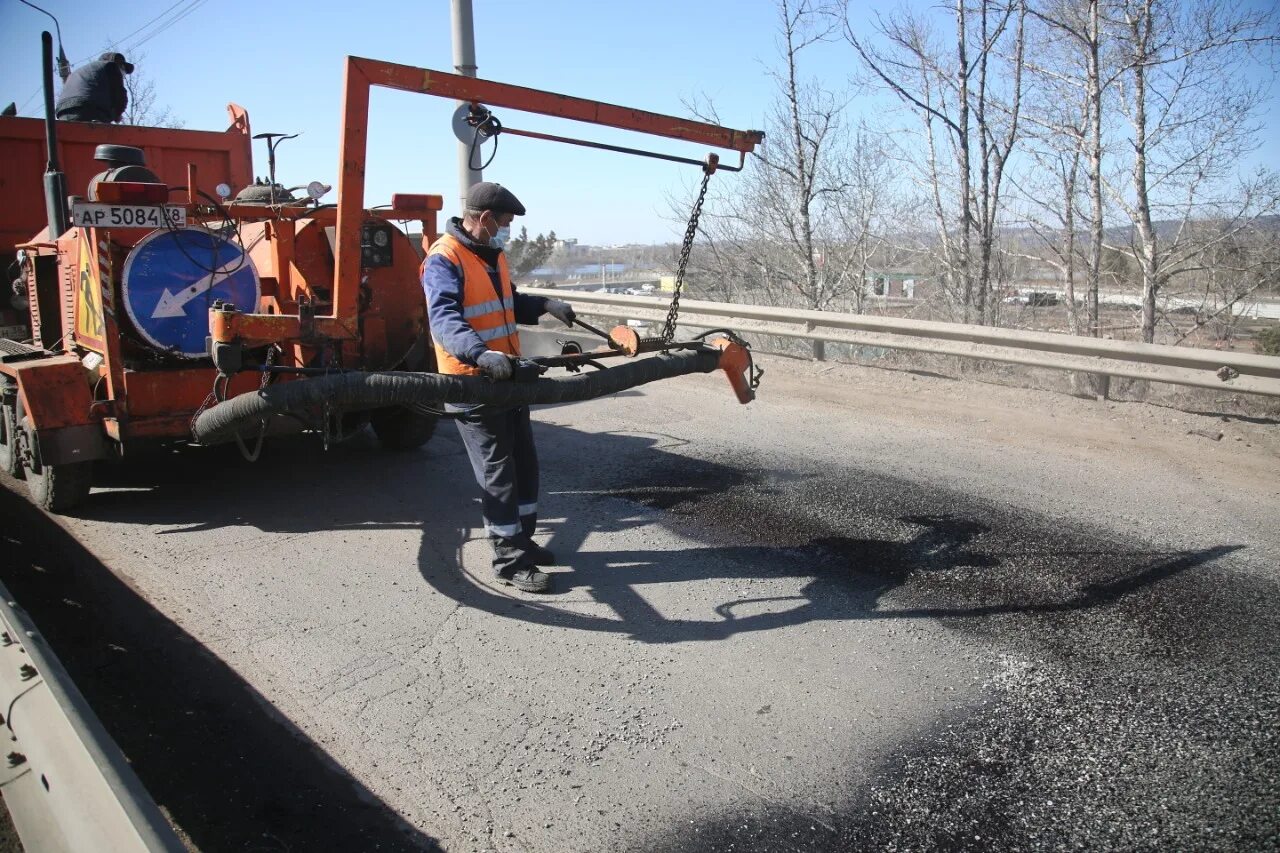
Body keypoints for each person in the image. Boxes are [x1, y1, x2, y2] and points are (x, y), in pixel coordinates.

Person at [422, 182, 576, 593]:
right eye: (504, 223)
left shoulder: (491, 256)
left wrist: (544, 305)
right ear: (485, 219)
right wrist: (479, 353)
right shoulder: (444, 259)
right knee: (498, 474)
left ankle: (522, 541)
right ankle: (509, 562)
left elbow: (508, 301)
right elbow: (444, 320)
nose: (506, 230)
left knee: (525, 464)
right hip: (473, 383)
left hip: (507, 379)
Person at [55, 53, 133, 123]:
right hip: (88, 109)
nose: (123, 72)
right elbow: (120, 97)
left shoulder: (80, 72)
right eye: (121, 66)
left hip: (62, 113)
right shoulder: (110, 66)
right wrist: (117, 115)